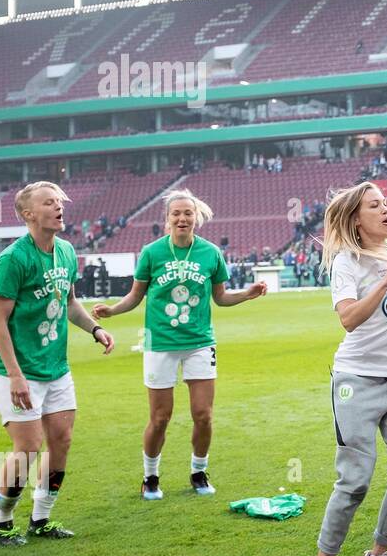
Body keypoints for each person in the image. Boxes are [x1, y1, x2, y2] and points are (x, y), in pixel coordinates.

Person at [93, 190, 267, 500]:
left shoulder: (211, 253)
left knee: (203, 415)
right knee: (160, 418)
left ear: (196, 217)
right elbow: (136, 296)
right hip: (159, 343)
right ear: (167, 219)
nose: (182, 218)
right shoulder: (151, 253)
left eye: (188, 213)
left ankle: (198, 472)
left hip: (199, 342)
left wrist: (247, 294)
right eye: (176, 214)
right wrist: (112, 310)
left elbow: (221, 298)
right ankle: (150, 477)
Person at [306, 182, 387, 556]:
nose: (386, 210)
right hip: (356, 380)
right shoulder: (347, 262)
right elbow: (349, 318)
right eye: (375, 205)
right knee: (355, 479)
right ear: (357, 218)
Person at [0, 181, 115, 546]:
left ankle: (41, 518)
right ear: (29, 214)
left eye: (59, 201)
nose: (59, 207)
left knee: (62, 441)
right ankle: (2, 520)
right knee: (27, 447)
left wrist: (94, 329)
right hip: (17, 370)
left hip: (56, 368)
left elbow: (71, 304)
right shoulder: (13, 259)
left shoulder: (68, 252)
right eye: (49, 202)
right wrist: (15, 375)